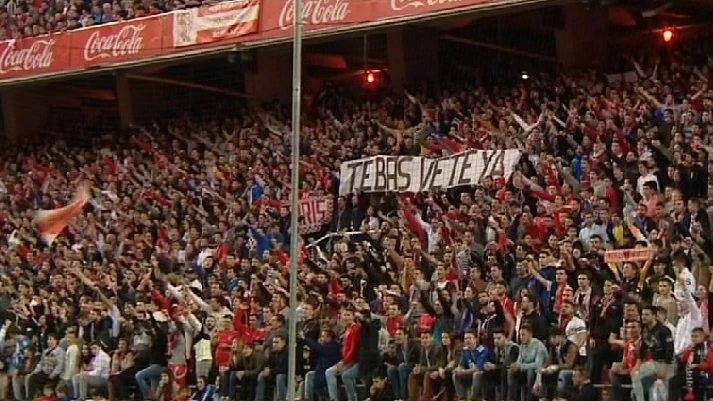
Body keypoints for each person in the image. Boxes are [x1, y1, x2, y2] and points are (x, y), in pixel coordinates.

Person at [633, 306, 674, 401]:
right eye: (642, 314)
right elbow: (643, 348)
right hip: (654, 362)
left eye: (647, 315)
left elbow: (669, 349)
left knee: (664, 390)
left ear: (654, 316)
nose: (643, 317)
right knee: (636, 375)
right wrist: (638, 364)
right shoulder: (645, 330)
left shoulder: (664, 330)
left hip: (668, 363)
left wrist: (665, 367)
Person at [326, 308, 360, 401]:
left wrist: (343, 362)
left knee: (330, 372)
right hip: (345, 359)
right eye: (344, 315)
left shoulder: (355, 329)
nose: (346, 317)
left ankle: (339, 398)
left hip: (352, 360)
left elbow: (353, 348)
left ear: (353, 316)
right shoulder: (347, 329)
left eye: (348, 315)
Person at [509, 324, 547, 401]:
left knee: (530, 372)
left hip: (539, 372)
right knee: (511, 372)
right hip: (525, 372)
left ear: (530, 334)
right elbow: (519, 361)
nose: (521, 337)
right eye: (520, 335)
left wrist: (522, 366)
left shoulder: (538, 346)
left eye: (523, 335)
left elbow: (538, 365)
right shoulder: (522, 346)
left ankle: (530, 399)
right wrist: (515, 366)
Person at [452, 330, 488, 401]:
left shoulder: (482, 350)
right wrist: (458, 370)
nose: (467, 340)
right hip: (469, 374)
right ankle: (462, 399)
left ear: (475, 339)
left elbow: (478, 368)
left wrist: (463, 372)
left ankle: (473, 399)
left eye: (469, 338)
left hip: (483, 376)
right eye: (465, 339)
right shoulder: (465, 350)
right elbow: (461, 365)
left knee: (476, 374)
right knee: (455, 375)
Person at [28, 333, 65, 399]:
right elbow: (41, 363)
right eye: (48, 339)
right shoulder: (45, 351)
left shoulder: (60, 351)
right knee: (32, 378)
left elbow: (60, 365)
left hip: (54, 375)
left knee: (49, 383)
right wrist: (35, 371)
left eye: (50, 339)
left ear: (55, 341)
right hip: (44, 372)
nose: (49, 341)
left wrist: (53, 374)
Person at [255, 335, 288, 401]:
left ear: (283, 343)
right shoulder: (272, 353)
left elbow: (285, 369)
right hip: (274, 373)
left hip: (286, 375)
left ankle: (282, 399)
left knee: (280, 377)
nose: (274, 344)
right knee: (261, 375)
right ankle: (259, 399)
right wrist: (266, 368)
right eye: (273, 342)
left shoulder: (287, 352)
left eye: (277, 342)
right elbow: (268, 364)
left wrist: (271, 371)